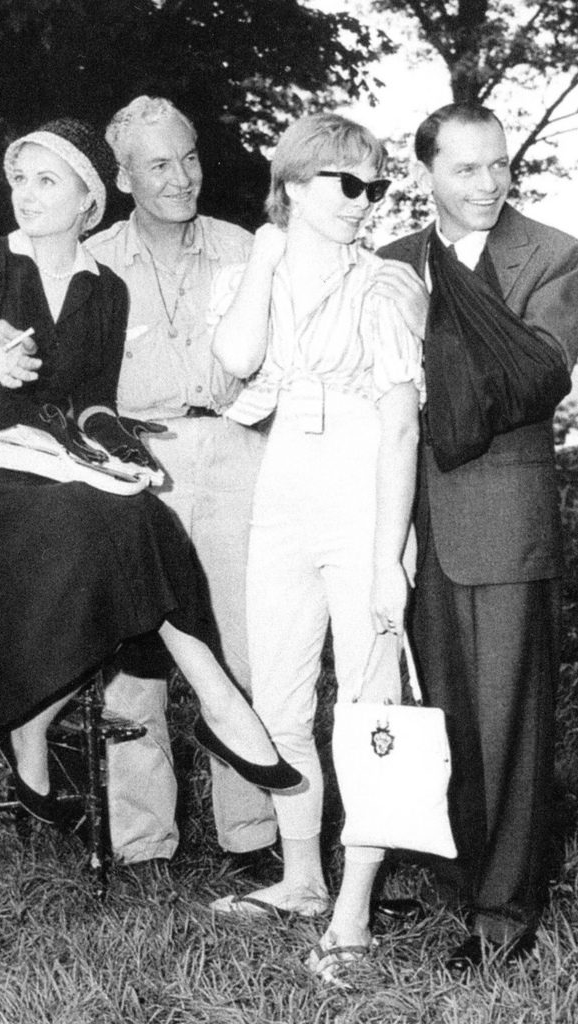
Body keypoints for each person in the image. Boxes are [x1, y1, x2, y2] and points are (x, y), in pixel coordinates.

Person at [0, 117, 300, 827]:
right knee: (126, 522)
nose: (26, 194)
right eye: (21, 178)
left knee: (136, 520)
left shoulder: (106, 286)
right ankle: (208, 716)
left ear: (85, 198)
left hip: (86, 469)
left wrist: (116, 453)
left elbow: (93, 404)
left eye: (46, 180)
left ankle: (45, 725)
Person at [209, 114, 426, 988]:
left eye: (374, 187)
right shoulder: (247, 270)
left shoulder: (387, 285)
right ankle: (301, 877)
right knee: (280, 696)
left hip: (363, 497)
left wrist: (385, 559)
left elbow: (403, 425)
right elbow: (234, 361)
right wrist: (264, 262)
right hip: (283, 493)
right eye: (346, 184)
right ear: (293, 185)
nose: (363, 203)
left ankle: (354, 906)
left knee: (368, 705)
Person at [378, 102, 578, 972]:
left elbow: (531, 376)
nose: (490, 183)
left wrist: (418, 343)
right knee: (437, 713)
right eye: (466, 169)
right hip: (406, 517)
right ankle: (450, 865)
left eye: (498, 165)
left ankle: (503, 913)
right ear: (425, 173)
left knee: (508, 721)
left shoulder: (551, 253)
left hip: (500, 517)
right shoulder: (387, 262)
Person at [85, 96, 279, 874]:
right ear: (124, 176)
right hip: (135, 463)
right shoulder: (91, 259)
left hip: (234, 453)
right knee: (136, 651)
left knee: (239, 644)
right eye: (158, 165)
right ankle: (142, 842)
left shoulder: (244, 250)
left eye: (189, 158)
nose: (180, 178)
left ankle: (253, 833)